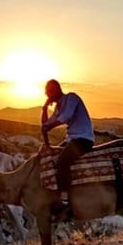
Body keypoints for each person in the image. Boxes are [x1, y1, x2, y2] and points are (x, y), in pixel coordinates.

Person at [40, 79, 94, 212]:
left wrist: (50, 126)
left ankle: (65, 201)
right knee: (51, 157)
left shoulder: (71, 98)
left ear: (58, 88)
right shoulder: (58, 107)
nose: (49, 93)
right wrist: (45, 108)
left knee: (62, 162)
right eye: (47, 91)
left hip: (83, 139)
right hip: (71, 139)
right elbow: (45, 125)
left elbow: (65, 116)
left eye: (51, 90)